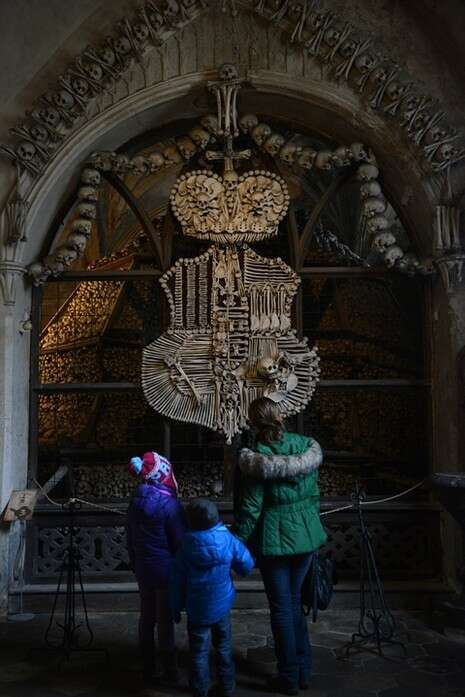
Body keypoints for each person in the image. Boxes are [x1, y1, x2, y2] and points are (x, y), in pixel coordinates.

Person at [234, 397, 327, 696]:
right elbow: (314, 495)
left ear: (253, 423)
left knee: (282, 608)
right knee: (294, 602)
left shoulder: (257, 458)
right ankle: (303, 671)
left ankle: (288, 676)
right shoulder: (304, 447)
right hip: (305, 538)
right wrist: (309, 524)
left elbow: (251, 509)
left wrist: (237, 545)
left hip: (274, 542)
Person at [170, 498, 254, 697]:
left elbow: (176, 581)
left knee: (198, 651)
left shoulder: (185, 547)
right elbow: (246, 565)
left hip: (197, 610)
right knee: (223, 646)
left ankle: (200, 689)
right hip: (222, 605)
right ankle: (227, 685)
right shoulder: (228, 539)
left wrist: (175, 607)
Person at [126, 450, 185, 686]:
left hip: (143, 568)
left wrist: (134, 562)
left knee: (147, 616)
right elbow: (179, 541)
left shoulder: (135, 502)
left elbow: (129, 536)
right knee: (165, 620)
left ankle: (148, 666)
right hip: (165, 570)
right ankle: (170, 670)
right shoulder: (170, 505)